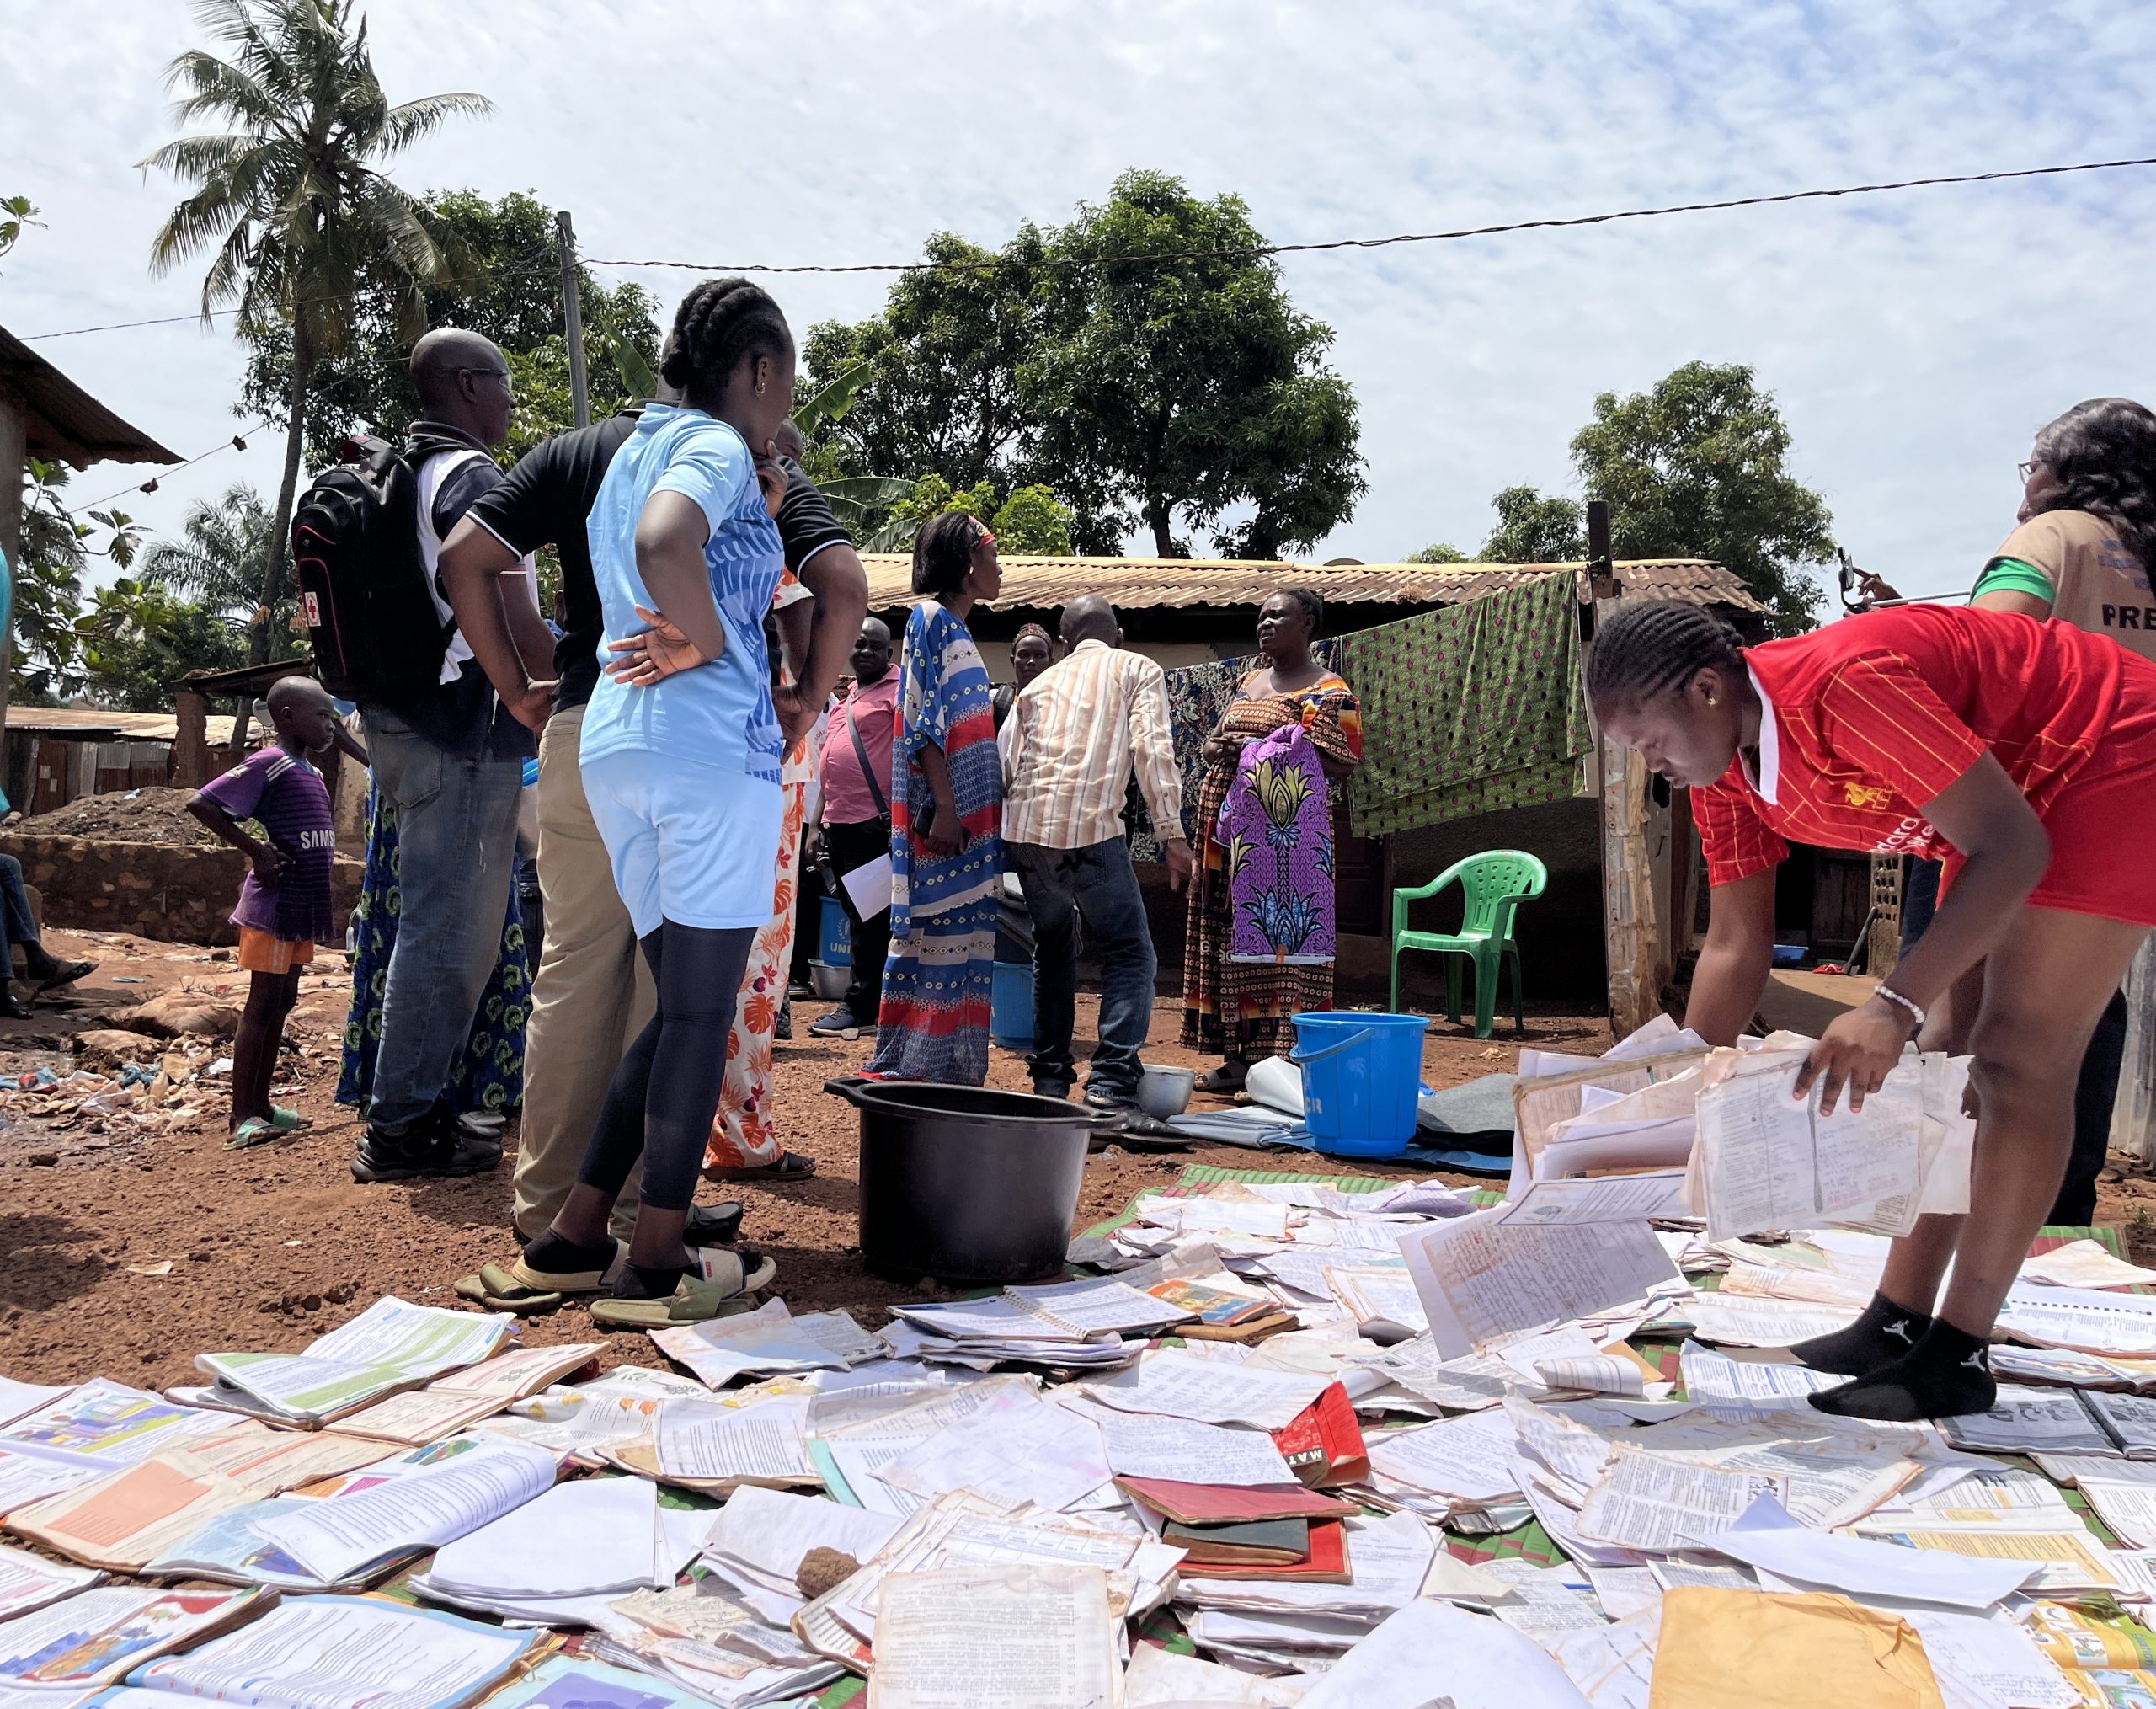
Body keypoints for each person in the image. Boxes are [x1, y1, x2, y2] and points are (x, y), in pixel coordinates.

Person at [1588, 596, 2156, 1421]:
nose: (1653, 764)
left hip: (2112, 751)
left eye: (1650, 742)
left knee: (2015, 1056)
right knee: (1949, 1057)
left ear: (1707, 691)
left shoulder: (1840, 687)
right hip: (2006, 803)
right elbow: (1735, 945)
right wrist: (1665, 1099)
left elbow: (2014, 847)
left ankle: (1958, 1353)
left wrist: (1891, 1003)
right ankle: (1898, 1321)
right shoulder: (1721, 772)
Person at [485, 276, 799, 1318]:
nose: (786, 405)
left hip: (619, 745)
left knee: (674, 1015)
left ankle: (574, 1237)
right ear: (757, 369)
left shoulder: (632, 451)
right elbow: (668, 542)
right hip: (705, 750)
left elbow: (651, 546)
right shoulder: (712, 445)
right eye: (786, 382)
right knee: (697, 1014)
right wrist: (706, 638)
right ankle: (657, 1262)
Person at [436, 388, 732, 1256]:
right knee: (663, 988)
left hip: (582, 724)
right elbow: (818, 588)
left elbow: (463, 557)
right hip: (685, 737)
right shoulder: (726, 458)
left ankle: (549, 1209)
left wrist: (511, 687)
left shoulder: (576, 452)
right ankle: (635, 1210)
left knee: (571, 968)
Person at [1894, 398, 2156, 1225]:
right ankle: (2052, 1230)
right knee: (2071, 1028)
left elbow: (1982, 650)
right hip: (2130, 830)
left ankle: (1930, 1239)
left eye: (2033, 462)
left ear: (2073, 469)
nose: (2024, 484)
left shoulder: (2052, 539)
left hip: (2020, 816)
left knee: (1954, 1031)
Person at [343, 328, 536, 1183]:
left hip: (403, 720)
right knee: (451, 935)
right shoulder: (471, 479)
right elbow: (502, 605)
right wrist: (547, 683)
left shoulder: (402, 471)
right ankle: (401, 1125)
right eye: (502, 381)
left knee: (436, 925)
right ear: (465, 385)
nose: (510, 400)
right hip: (462, 729)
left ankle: (412, 1108)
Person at [704, 419, 869, 1183]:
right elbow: (809, 617)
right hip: (766, 759)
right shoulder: (770, 541)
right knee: (755, 961)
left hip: (685, 751)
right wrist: (804, 699)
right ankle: (741, 1134)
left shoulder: (681, 518)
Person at [1001, 595, 1193, 1114]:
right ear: (1119, 637)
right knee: (1131, 954)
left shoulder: (1036, 687)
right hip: (1091, 832)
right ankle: (1110, 1086)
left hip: (1029, 835)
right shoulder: (1136, 668)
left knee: (1052, 949)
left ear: (1063, 644)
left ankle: (1050, 1082)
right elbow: (1153, 749)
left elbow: (1008, 764)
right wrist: (1172, 834)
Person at [1180, 588, 1363, 1091]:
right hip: (1225, 829)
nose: (1264, 625)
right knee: (1225, 933)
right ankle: (1237, 1059)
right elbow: (1216, 740)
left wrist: (1262, 749)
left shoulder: (1331, 692)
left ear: (1308, 623)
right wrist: (1220, 748)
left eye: (1277, 616)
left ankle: (1283, 1063)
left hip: (1285, 844)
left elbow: (1343, 763)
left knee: (1283, 939)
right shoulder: (1248, 681)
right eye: (1261, 617)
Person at [862, 513, 1005, 1084]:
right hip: (948, 826)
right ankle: (914, 1070)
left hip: (972, 828)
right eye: (993, 554)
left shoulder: (958, 630)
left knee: (961, 943)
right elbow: (923, 724)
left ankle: (950, 1074)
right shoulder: (931, 620)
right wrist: (946, 808)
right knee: (934, 942)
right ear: (969, 563)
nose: (1000, 567)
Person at [187, 678, 342, 1147]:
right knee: (262, 1003)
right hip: (274, 905)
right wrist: (256, 849)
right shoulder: (270, 763)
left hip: (301, 905)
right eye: (322, 716)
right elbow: (201, 803)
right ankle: (241, 1117)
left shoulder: (312, 773)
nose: (330, 725)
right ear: (287, 717)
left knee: (283, 1000)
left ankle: (263, 1106)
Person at [808, 617, 899, 1039]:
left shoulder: (898, 694)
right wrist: (816, 825)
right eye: (858, 644)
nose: (864, 652)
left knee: (871, 921)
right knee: (857, 915)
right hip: (839, 824)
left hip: (873, 825)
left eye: (874, 646)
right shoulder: (846, 698)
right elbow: (830, 766)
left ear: (889, 654)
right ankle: (872, 1003)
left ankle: (862, 1006)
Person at [991, 623, 1055, 728]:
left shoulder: (1060, 704)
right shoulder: (995, 701)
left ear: (1050, 662)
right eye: (1024, 655)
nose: (1031, 661)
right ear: (1013, 661)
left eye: (1040, 656)